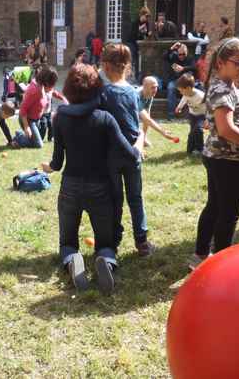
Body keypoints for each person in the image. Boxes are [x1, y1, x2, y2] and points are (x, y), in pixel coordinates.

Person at [41, 64, 140, 294]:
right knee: (105, 243)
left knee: (67, 241)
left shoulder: (60, 118)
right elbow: (128, 153)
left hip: (70, 187)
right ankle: (105, 260)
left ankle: (72, 259)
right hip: (100, 188)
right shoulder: (104, 118)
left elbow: (57, 161)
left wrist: (50, 167)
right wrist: (140, 141)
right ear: (97, 87)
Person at [189, 38, 239, 271]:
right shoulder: (222, 88)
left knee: (215, 206)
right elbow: (225, 128)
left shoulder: (227, 84)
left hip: (222, 158)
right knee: (228, 212)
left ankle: (200, 256)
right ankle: (220, 265)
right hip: (227, 161)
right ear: (222, 63)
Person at [12, 66, 66, 149]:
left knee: (38, 138)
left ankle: (20, 133)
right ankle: (18, 138)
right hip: (28, 120)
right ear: (46, 82)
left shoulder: (43, 86)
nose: (52, 87)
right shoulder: (35, 90)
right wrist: (26, 127)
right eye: (51, 85)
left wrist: (62, 98)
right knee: (38, 144)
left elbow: (53, 91)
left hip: (36, 119)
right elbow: (23, 109)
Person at [136, 76, 177, 153]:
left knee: (144, 141)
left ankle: (142, 138)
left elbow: (147, 116)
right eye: (153, 87)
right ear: (145, 87)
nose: (155, 90)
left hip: (130, 118)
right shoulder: (136, 95)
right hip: (121, 120)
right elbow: (146, 119)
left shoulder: (149, 94)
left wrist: (144, 138)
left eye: (156, 87)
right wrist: (163, 132)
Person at [174, 73, 206, 155]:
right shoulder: (186, 94)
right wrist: (179, 107)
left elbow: (209, 107)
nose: (181, 93)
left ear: (188, 88)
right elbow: (183, 99)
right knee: (192, 132)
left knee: (198, 130)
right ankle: (190, 149)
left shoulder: (201, 96)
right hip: (192, 115)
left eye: (181, 90)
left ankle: (200, 149)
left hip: (202, 116)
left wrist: (208, 119)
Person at [164, 42, 196, 120]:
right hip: (175, 80)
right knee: (171, 88)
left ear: (187, 53)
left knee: (192, 90)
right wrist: (171, 48)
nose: (181, 56)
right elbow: (164, 57)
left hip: (185, 81)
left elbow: (194, 67)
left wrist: (183, 68)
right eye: (180, 54)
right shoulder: (174, 57)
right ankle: (171, 115)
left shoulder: (190, 58)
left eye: (183, 54)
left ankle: (190, 115)